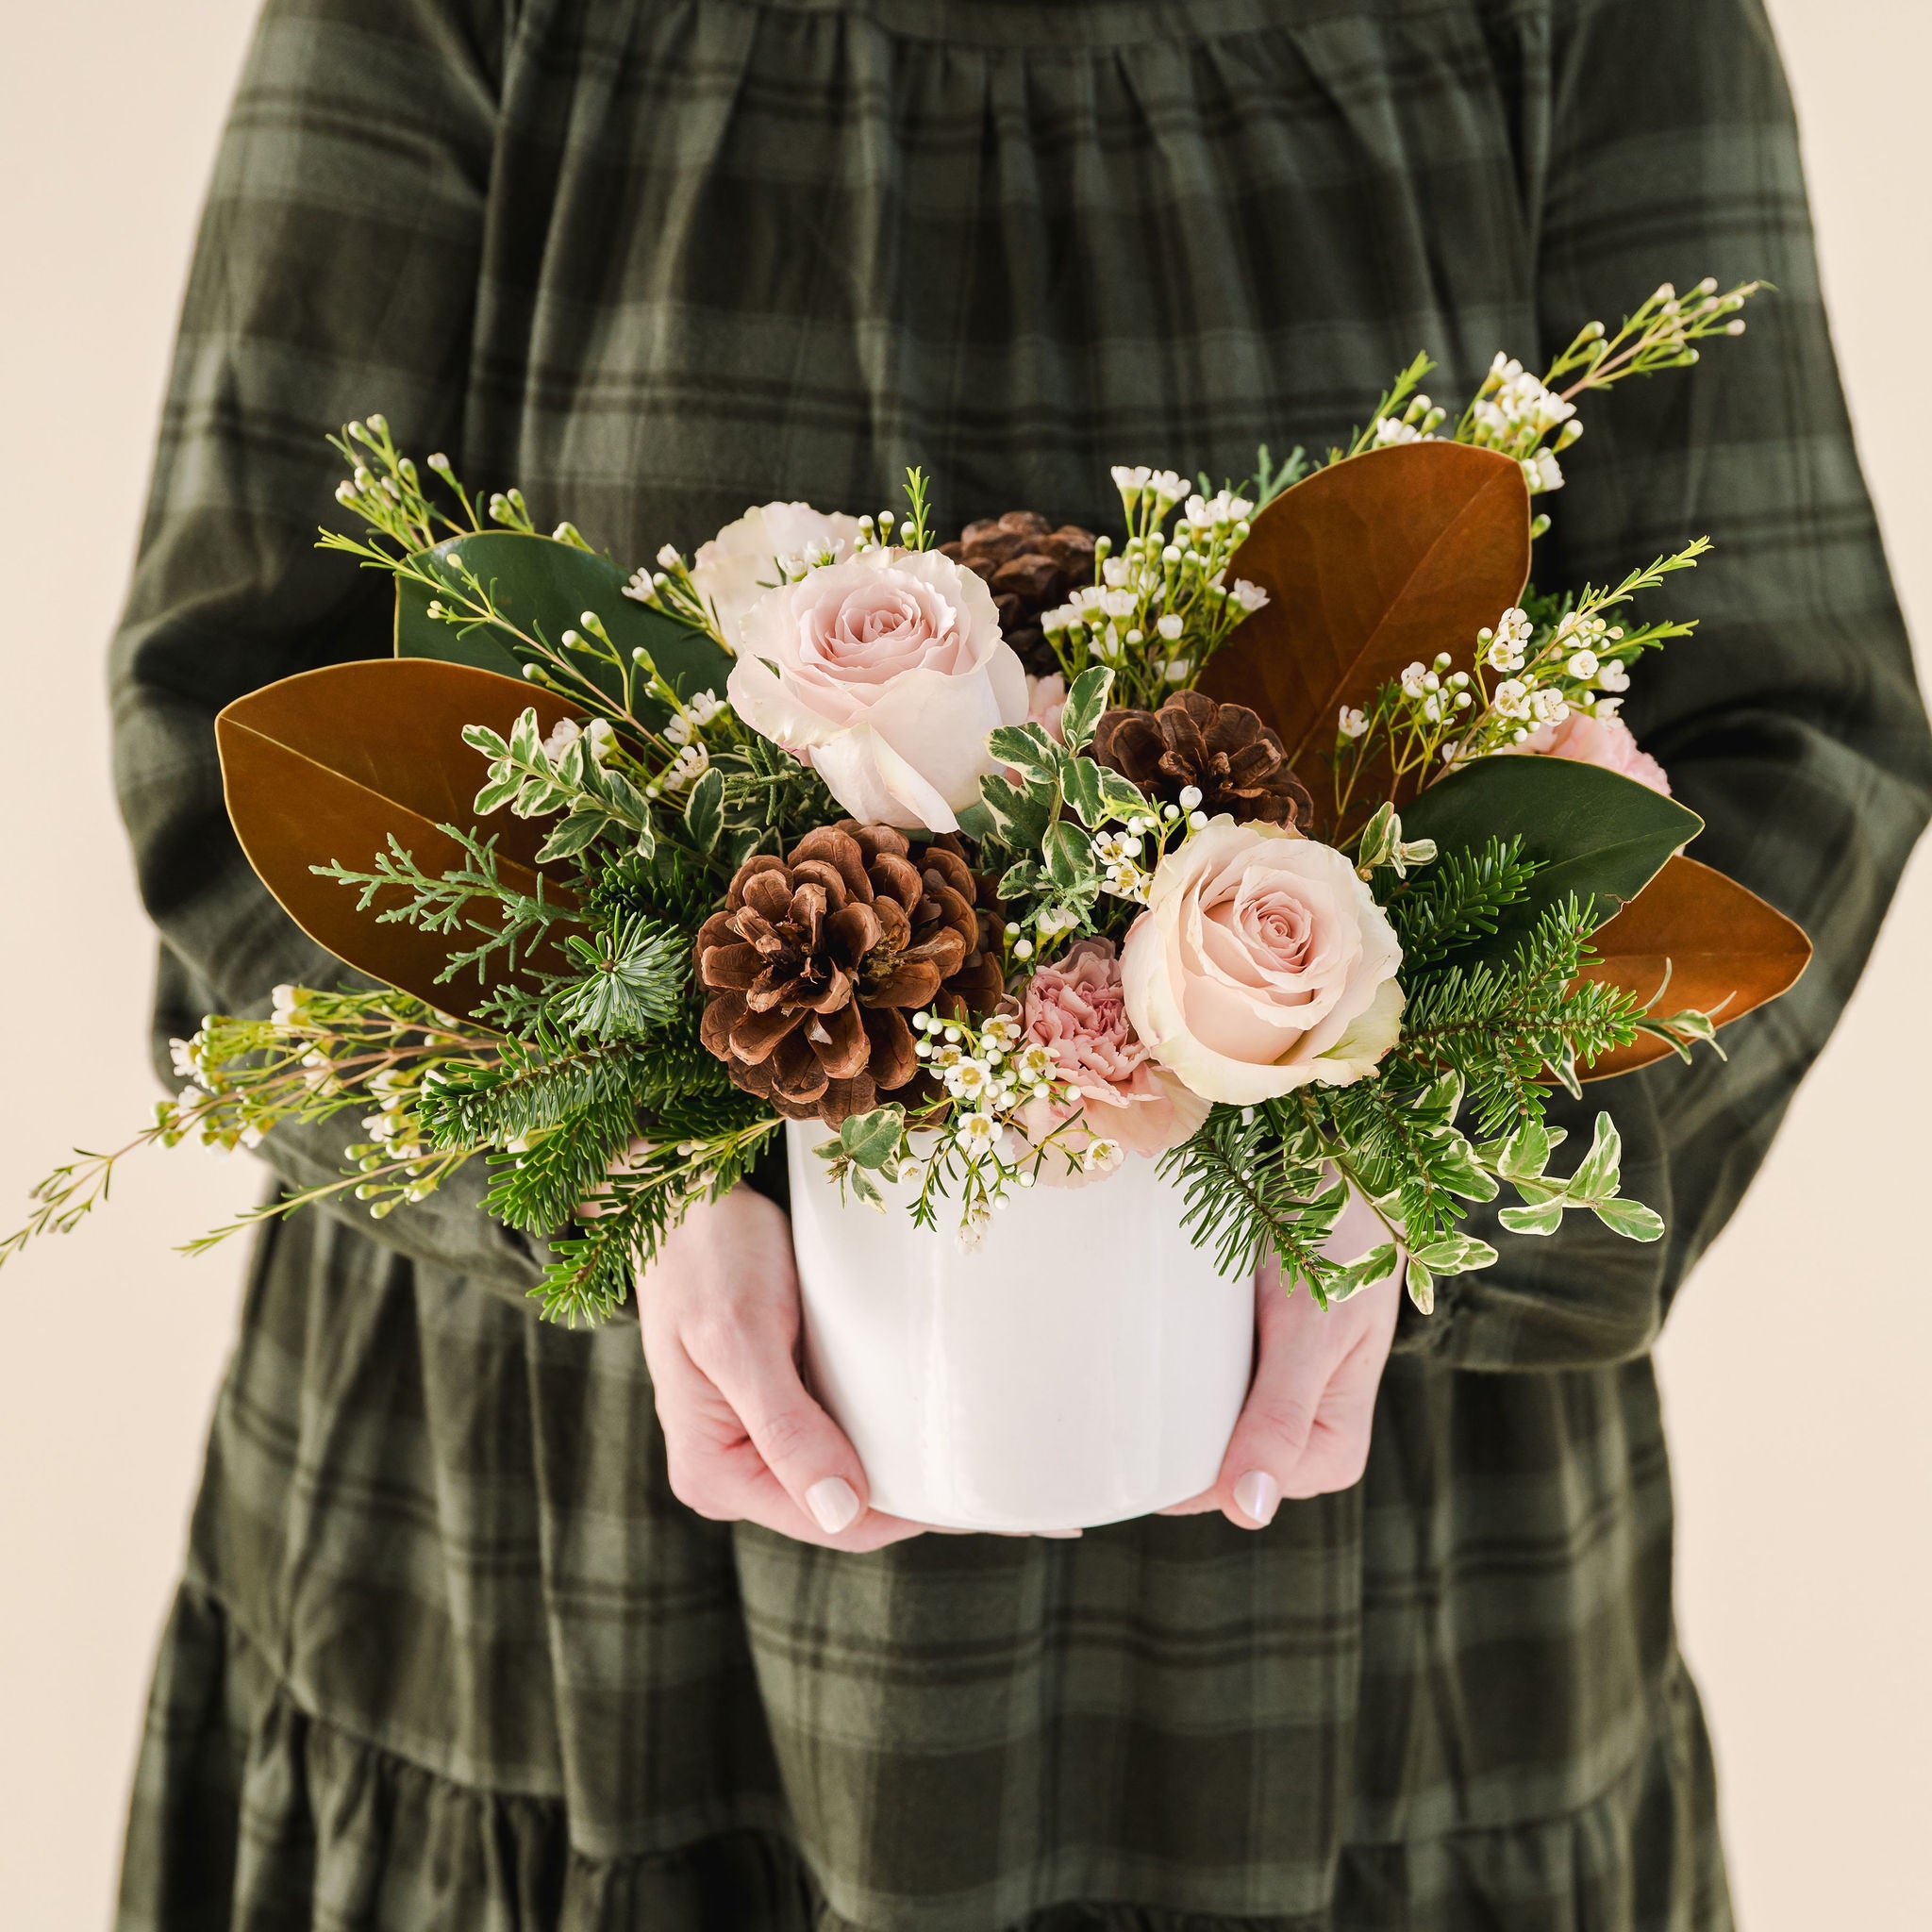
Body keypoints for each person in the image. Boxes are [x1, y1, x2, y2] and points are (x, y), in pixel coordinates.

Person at [109, 1, 1931, 1926]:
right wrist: (618, 1186)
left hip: (1386, 1639)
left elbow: (1786, 725)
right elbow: (236, 724)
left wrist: (1431, 1205)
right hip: (555, 1608)